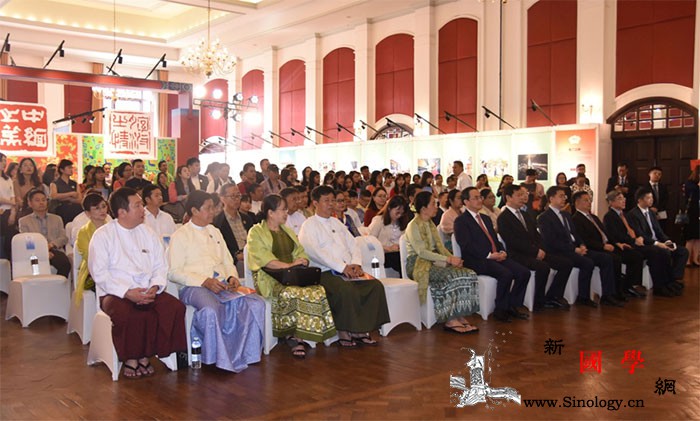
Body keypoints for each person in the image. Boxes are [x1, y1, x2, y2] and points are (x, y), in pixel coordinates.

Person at [88, 187, 187, 378]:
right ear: (121, 212)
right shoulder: (103, 236)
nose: (143, 209)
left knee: (174, 308)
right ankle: (132, 359)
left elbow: (160, 265)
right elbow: (99, 274)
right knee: (131, 314)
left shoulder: (147, 233)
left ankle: (154, 354)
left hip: (148, 290)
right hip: (115, 293)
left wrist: (155, 287)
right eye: (138, 205)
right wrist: (127, 292)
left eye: (141, 204)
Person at [168, 191, 264, 372]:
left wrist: (232, 276)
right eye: (208, 208)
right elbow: (173, 272)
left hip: (221, 283)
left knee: (256, 303)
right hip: (194, 287)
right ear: (195, 210)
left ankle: (248, 353)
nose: (213, 212)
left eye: (213, 207)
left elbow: (227, 261)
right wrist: (204, 281)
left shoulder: (215, 232)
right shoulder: (181, 235)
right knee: (211, 310)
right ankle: (215, 358)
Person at [298, 186, 390, 347]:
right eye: (326, 201)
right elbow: (315, 253)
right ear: (315, 203)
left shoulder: (337, 222)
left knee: (374, 285)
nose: (331, 204)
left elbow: (353, 243)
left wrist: (356, 263)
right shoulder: (309, 226)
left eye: (333, 200)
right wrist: (342, 267)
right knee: (345, 290)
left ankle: (362, 329)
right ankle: (344, 331)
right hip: (325, 272)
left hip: (348, 269)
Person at [247, 194, 336, 358]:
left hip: (292, 275)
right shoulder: (256, 232)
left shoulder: (286, 230)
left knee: (317, 290)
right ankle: (294, 336)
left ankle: (307, 333)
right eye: (282, 210)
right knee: (293, 292)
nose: (286, 213)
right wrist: (288, 266)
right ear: (270, 213)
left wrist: (301, 261)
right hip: (270, 277)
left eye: (286, 210)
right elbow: (263, 259)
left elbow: (300, 251)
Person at [404, 191, 479, 333]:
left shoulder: (431, 224)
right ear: (423, 208)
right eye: (433, 204)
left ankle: (459, 314)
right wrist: (448, 259)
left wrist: (453, 259)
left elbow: (440, 247)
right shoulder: (413, 225)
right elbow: (422, 252)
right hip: (418, 264)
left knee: (468, 273)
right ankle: (450, 319)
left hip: (435, 261)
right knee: (451, 276)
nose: (436, 206)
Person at [537, 186, 622, 307]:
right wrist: (574, 249)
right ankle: (577, 296)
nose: (564, 199)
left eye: (565, 196)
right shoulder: (544, 217)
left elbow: (575, 234)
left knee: (606, 258)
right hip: (559, 251)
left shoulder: (566, 215)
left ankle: (608, 294)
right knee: (586, 263)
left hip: (574, 249)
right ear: (551, 198)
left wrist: (581, 244)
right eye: (561, 196)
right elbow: (551, 241)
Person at [455, 187, 530, 322]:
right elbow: (467, 246)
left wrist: (501, 251)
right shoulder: (461, 221)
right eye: (476, 198)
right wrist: (489, 255)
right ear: (466, 201)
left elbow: (495, 239)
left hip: (495, 256)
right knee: (506, 274)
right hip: (477, 260)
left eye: (480, 197)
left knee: (523, 272)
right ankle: (500, 310)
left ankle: (512, 305)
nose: (480, 200)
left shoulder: (485, 218)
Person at [497, 184, 570, 311]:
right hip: (518, 254)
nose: (523, 198)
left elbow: (537, 235)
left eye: (523, 195)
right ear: (508, 197)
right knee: (543, 267)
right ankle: (538, 301)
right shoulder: (504, 217)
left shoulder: (525, 215)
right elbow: (513, 241)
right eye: (519, 195)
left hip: (534, 252)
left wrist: (540, 249)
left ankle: (553, 296)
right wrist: (535, 251)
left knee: (565, 263)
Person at [571, 191, 643, 301]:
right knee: (611, 258)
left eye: (590, 200)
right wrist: (603, 247)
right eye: (586, 200)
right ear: (577, 202)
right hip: (592, 249)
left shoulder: (593, 217)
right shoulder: (575, 219)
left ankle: (624, 288)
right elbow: (585, 240)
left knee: (631, 254)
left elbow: (606, 234)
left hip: (606, 246)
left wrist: (617, 243)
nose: (589, 202)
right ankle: (609, 294)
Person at [626, 187, 688, 295]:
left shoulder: (651, 213)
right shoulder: (632, 215)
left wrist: (667, 241)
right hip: (645, 244)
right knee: (662, 252)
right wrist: (658, 244)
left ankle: (673, 279)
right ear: (640, 200)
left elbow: (659, 231)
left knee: (682, 251)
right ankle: (661, 285)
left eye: (651, 197)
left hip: (658, 241)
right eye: (648, 198)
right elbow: (641, 234)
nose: (651, 200)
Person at [74, 193, 110, 303]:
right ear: (87, 213)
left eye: (104, 206)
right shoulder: (83, 233)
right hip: (92, 273)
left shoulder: (113, 227)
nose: (102, 211)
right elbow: (90, 258)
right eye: (97, 208)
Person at [214, 183, 255, 276]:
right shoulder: (218, 222)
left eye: (238, 195)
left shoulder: (247, 218)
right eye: (233, 196)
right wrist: (236, 256)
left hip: (251, 255)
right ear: (222, 198)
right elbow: (219, 249)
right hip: (235, 261)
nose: (237, 199)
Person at [368, 195, 409, 276]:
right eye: (397, 212)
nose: (399, 215)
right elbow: (370, 243)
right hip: (383, 253)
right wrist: (388, 248)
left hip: (398, 252)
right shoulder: (379, 221)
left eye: (402, 213)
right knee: (398, 258)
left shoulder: (402, 223)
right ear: (389, 208)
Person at [49, 159, 83, 225]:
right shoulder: (55, 183)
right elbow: (53, 196)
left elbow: (79, 199)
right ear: (62, 170)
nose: (71, 170)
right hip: (61, 211)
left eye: (71, 168)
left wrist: (68, 199)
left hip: (75, 210)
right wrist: (70, 194)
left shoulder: (74, 183)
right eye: (69, 167)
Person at [0, 153, 17, 259]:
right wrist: (12, 203)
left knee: (8, 241)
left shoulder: (7, 179)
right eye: (2, 160)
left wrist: (13, 212)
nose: (4, 163)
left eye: (5, 160)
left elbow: (12, 196)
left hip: (8, 213)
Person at [682, 166, 700, 266]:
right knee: (690, 238)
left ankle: (696, 259)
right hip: (691, 214)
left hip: (699, 214)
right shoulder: (690, 184)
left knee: (698, 238)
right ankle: (687, 260)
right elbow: (691, 195)